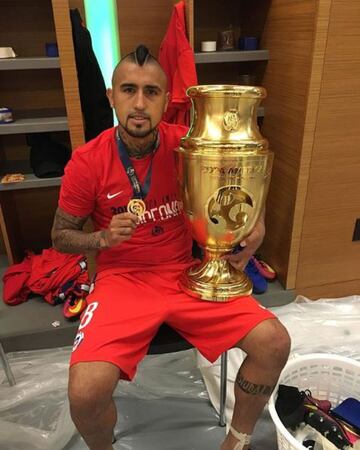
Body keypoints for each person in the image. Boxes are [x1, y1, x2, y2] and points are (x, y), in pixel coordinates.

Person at [51, 44, 291, 450]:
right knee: (85, 392)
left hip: (187, 276)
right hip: (120, 282)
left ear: (167, 99)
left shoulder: (191, 145)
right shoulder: (87, 161)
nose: (140, 103)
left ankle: (238, 440)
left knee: (275, 342)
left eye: (152, 91)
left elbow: (245, 175)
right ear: (111, 97)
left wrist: (259, 223)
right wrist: (102, 238)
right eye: (128, 90)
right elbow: (60, 235)